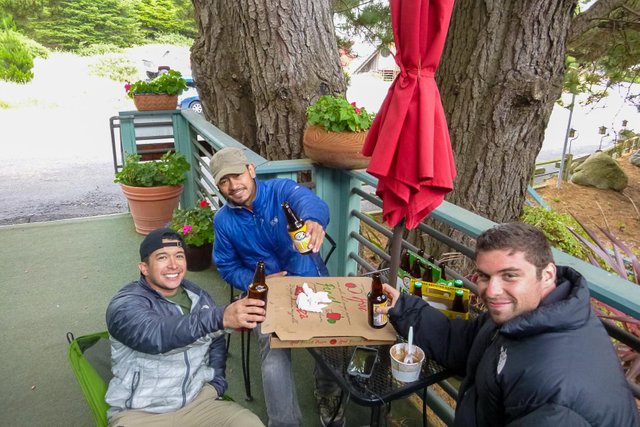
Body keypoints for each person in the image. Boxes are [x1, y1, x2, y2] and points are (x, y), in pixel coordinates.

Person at [379, 222, 639, 427]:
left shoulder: (556, 393)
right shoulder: (526, 315)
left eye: (510, 276)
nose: (491, 291)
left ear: (547, 274)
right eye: (484, 276)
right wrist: (404, 307)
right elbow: (463, 341)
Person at [210, 147, 344, 427]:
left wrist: (314, 220)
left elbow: (309, 202)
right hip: (267, 293)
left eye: (237, 175)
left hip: (309, 279)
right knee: (272, 351)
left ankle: (328, 391)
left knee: (332, 336)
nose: (233, 186)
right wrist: (257, 282)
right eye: (224, 181)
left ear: (251, 170)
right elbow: (226, 266)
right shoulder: (223, 220)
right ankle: (284, 423)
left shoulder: (280, 190)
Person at [105, 227, 265, 427]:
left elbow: (215, 341)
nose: (173, 265)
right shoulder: (125, 305)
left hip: (197, 403)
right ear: (144, 268)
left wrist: (216, 384)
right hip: (141, 413)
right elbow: (156, 336)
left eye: (179, 256)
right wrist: (220, 317)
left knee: (250, 423)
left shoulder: (199, 297)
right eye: (162, 257)